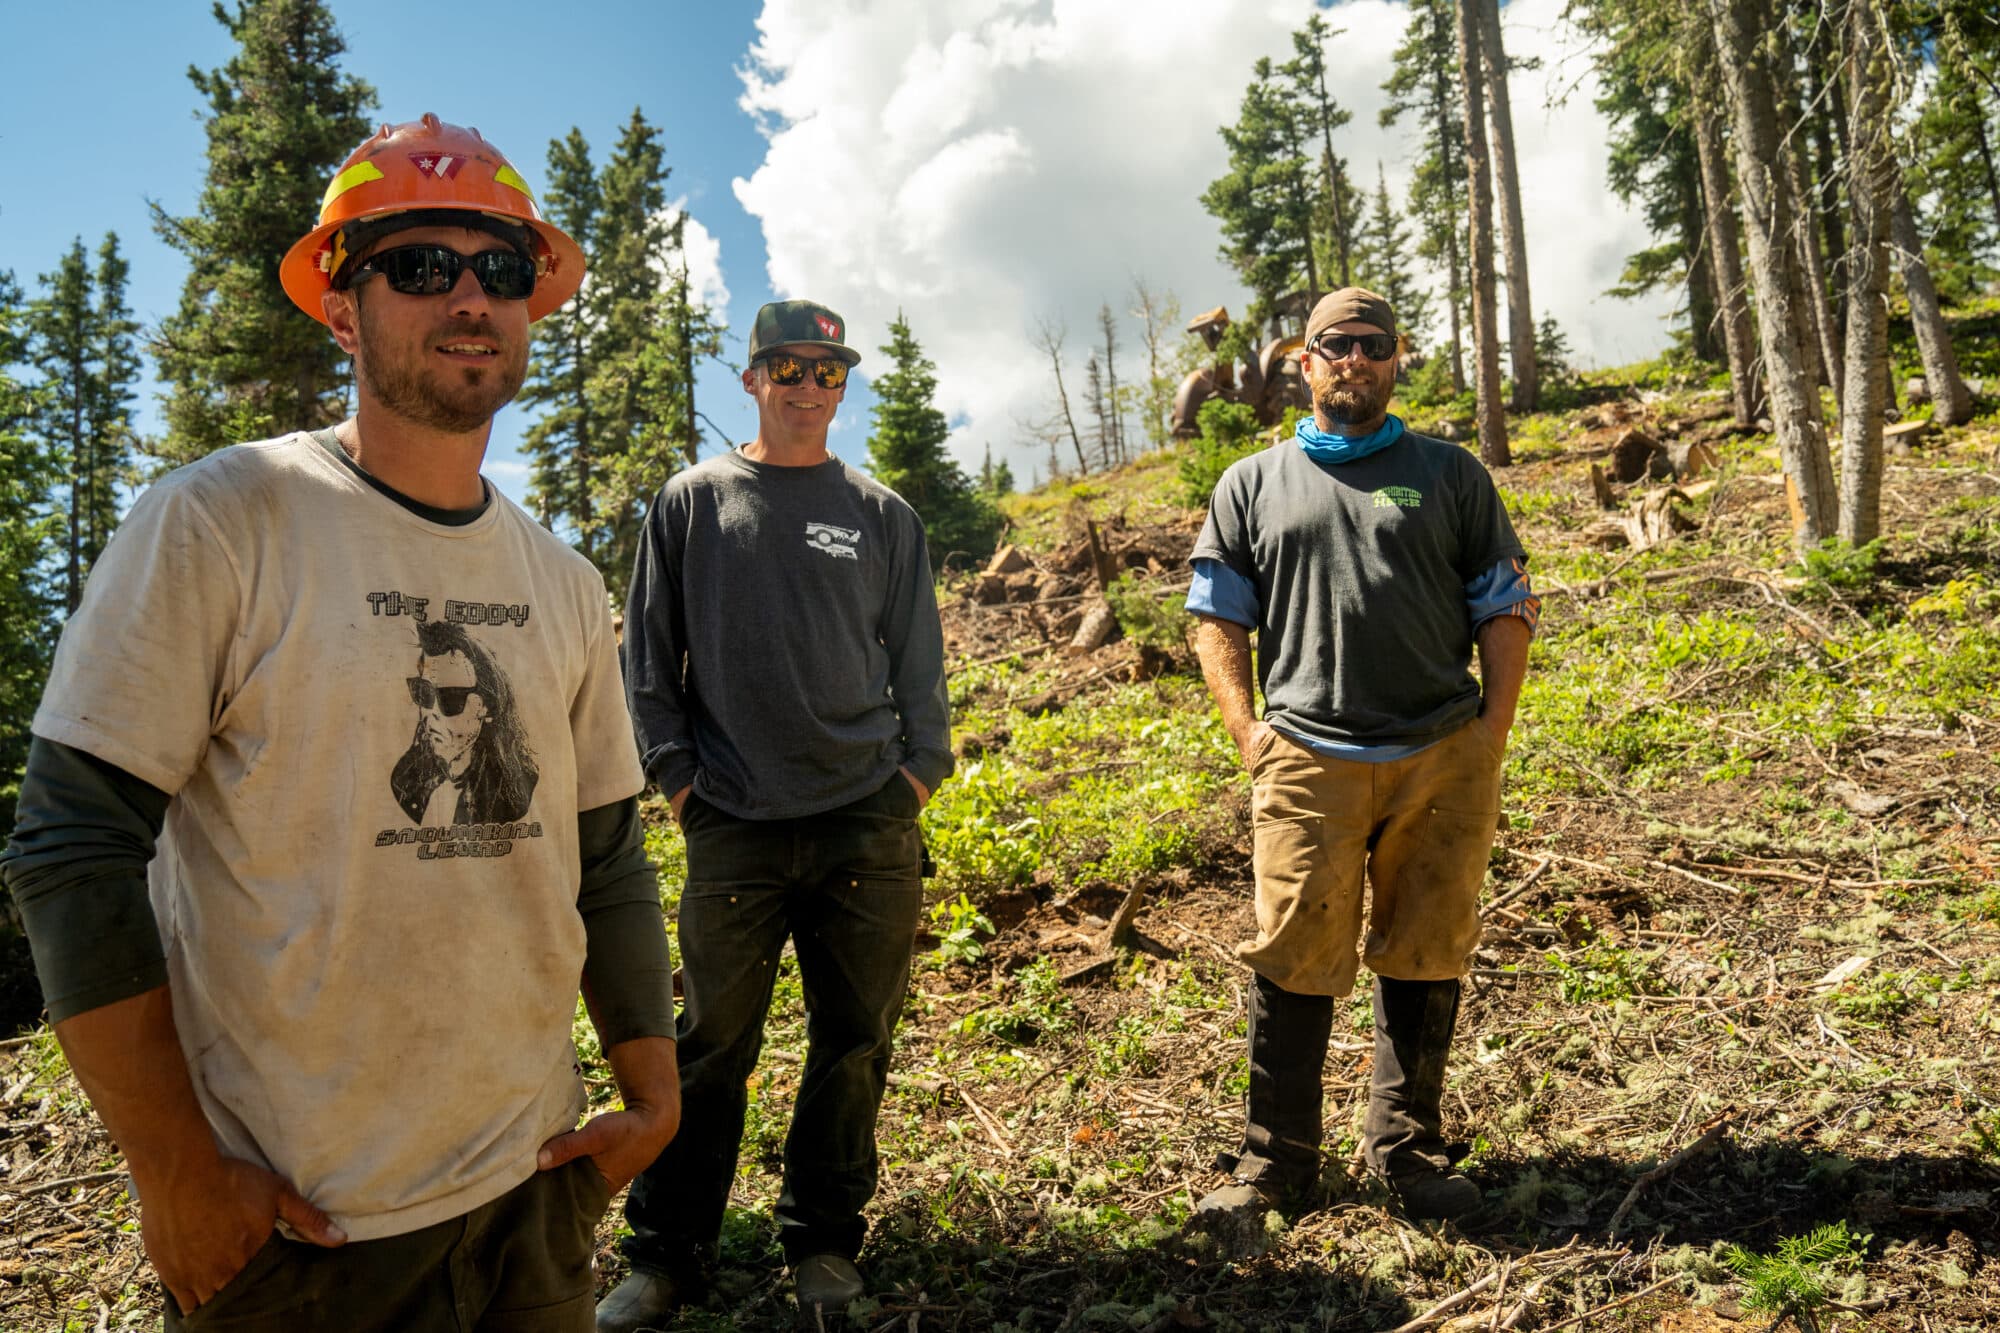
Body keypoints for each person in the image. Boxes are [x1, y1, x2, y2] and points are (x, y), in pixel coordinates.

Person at [0, 114, 680, 1331]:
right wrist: (172, 1173)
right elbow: (72, 844)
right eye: (420, 266)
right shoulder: (224, 522)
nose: (467, 296)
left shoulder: (565, 584)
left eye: (500, 269)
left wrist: (652, 1091)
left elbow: (609, 853)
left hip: (534, 1201)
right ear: (340, 305)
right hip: (307, 1241)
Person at [599, 300, 953, 1333]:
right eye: (786, 368)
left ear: (842, 384)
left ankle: (823, 1244)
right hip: (733, 823)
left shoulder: (883, 514)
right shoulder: (693, 502)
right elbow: (646, 661)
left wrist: (913, 780)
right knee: (709, 1045)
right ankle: (666, 1257)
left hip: (864, 823)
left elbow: (920, 674)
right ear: (750, 379)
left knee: (853, 1040)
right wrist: (677, 785)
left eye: (826, 369)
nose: (807, 385)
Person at [1184, 287, 1538, 1225]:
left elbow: (1505, 603)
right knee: (1295, 953)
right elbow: (1216, 617)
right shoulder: (1250, 483)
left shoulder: (1451, 474)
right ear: (1303, 362)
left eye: (1372, 345)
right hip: (1306, 755)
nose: (1354, 359)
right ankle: (1277, 1162)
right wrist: (1249, 734)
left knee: (1426, 949)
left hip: (1441, 752)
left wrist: (1489, 734)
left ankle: (1409, 1151)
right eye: (1334, 345)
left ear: (1397, 357)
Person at [392, 618, 540, 825]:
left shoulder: (513, 789)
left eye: (450, 698)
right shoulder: (404, 780)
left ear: (488, 706)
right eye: (423, 693)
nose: (430, 712)